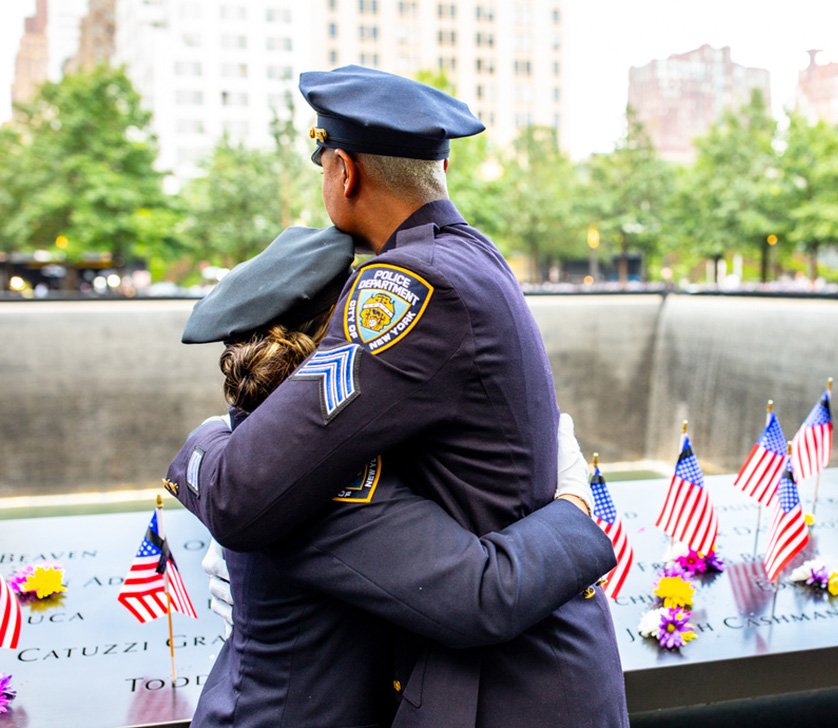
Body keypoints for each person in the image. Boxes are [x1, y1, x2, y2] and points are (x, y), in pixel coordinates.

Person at [166, 66, 628, 726]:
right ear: (442, 167)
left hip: (502, 687)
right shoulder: (474, 257)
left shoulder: (408, 283)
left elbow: (242, 491)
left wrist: (210, 437)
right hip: (546, 666)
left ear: (344, 172)